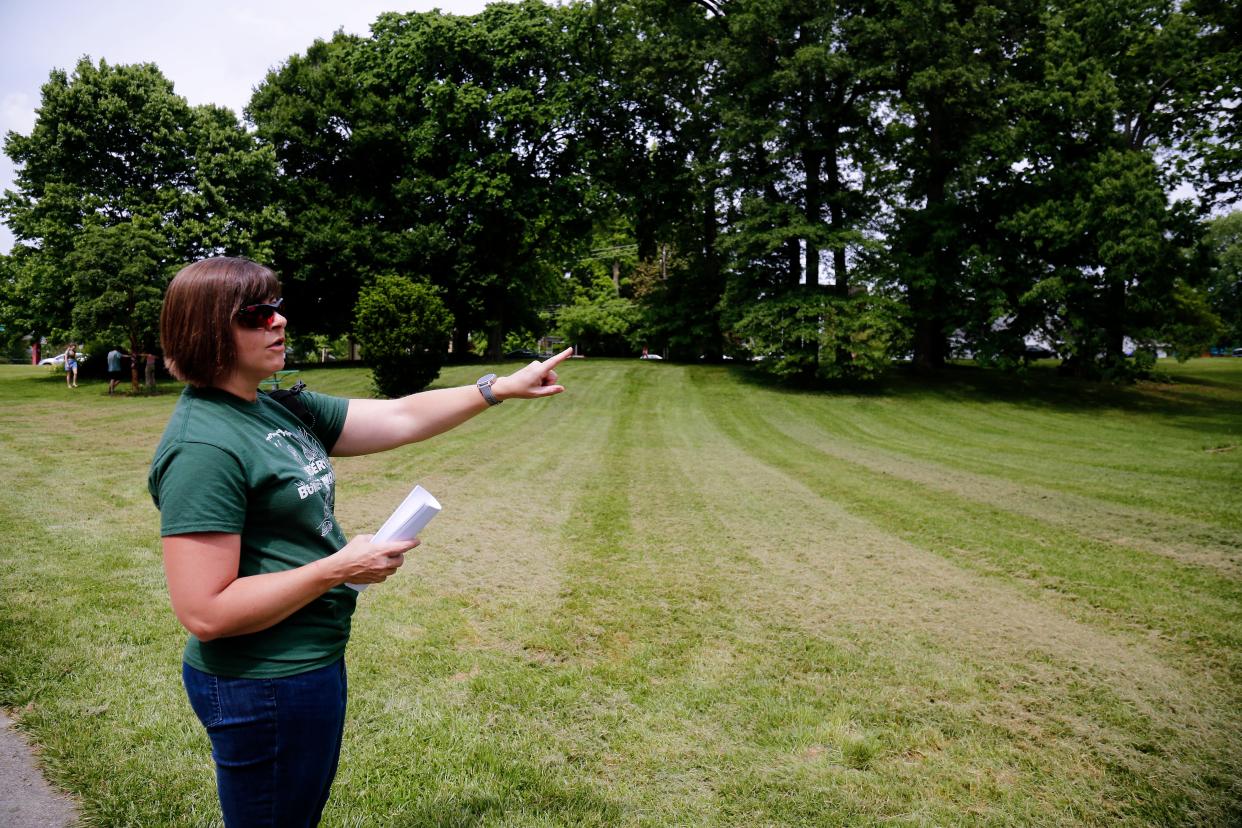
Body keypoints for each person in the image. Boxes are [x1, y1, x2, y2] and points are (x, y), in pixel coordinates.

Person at [147, 256, 570, 827]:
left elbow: (398, 417)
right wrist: (336, 568)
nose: (279, 322)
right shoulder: (205, 447)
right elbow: (205, 611)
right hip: (261, 681)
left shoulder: (274, 406)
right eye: (257, 313)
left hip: (306, 665)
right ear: (206, 329)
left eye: (277, 308)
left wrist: (495, 389)